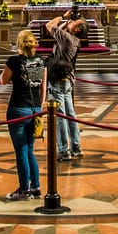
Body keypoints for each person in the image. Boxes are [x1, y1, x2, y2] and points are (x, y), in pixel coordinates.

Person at [0, 29, 46, 200]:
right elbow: (43, 88)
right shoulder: (41, 61)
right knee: (30, 150)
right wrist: (39, 108)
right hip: (35, 110)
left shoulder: (13, 61)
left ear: (19, 44)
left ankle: (23, 189)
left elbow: (3, 80)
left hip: (18, 109)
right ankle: (36, 187)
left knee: (21, 151)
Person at [45, 9, 87, 161]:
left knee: (61, 117)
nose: (71, 20)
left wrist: (63, 17)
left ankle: (63, 150)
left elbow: (49, 25)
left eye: (75, 21)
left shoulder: (67, 38)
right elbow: (58, 35)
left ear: (76, 29)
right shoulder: (74, 40)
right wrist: (67, 24)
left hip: (58, 82)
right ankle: (76, 146)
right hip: (68, 80)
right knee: (70, 115)